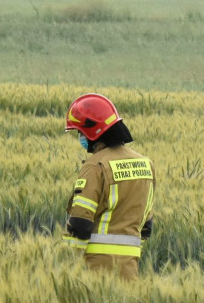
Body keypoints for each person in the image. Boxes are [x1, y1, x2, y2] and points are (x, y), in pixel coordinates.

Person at [64, 94, 155, 280]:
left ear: (92, 132)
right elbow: (146, 226)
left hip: (96, 270)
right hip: (130, 268)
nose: (80, 138)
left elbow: (80, 224)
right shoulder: (146, 165)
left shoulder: (95, 166)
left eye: (80, 132)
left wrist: (67, 266)